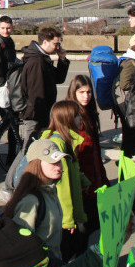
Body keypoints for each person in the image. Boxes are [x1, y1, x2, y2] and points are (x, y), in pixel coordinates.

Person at [38, 101, 91, 259]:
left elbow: (72, 171)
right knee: (65, 254)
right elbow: (61, 186)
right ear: (67, 118)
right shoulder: (58, 144)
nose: (80, 118)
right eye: (76, 115)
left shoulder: (63, 138)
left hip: (63, 212)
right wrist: (68, 221)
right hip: (62, 216)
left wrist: (83, 182)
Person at [2, 139, 67, 259]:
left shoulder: (51, 190)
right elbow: (20, 245)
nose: (59, 166)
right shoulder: (31, 201)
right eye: (53, 162)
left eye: (59, 161)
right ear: (36, 164)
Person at [65, 75, 107, 236]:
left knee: (93, 227)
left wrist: (102, 180)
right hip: (82, 185)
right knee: (83, 232)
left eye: (89, 92)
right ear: (73, 92)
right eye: (81, 92)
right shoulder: (73, 117)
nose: (86, 96)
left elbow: (95, 154)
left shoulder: (89, 114)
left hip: (94, 181)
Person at [19, 27, 70, 144]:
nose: (58, 47)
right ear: (45, 42)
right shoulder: (37, 61)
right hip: (36, 115)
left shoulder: (42, 58)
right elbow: (36, 93)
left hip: (41, 113)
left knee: (37, 150)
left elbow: (58, 78)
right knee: (30, 151)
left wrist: (62, 59)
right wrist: (45, 119)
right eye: (55, 44)